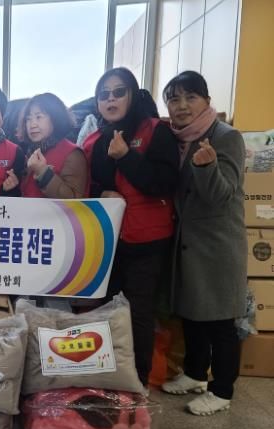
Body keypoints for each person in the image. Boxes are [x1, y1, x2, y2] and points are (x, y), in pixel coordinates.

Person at [83, 67, 179, 389]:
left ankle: (137, 383)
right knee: (108, 309)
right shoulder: (97, 140)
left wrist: (126, 157)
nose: (110, 100)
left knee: (138, 313)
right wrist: (101, 193)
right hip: (109, 240)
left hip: (147, 241)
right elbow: (92, 186)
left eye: (118, 92)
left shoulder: (156, 131)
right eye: (103, 95)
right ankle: (110, 379)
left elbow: (164, 183)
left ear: (132, 95)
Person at [160, 71, 247, 416]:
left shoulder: (226, 137)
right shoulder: (178, 138)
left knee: (220, 322)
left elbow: (221, 196)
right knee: (192, 314)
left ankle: (222, 390)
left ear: (207, 101)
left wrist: (208, 166)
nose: (181, 106)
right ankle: (195, 373)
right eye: (174, 99)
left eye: (190, 97)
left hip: (216, 246)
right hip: (188, 243)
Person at [20, 93, 89, 198]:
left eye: (39, 117)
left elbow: (74, 201)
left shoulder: (73, 154)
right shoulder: (30, 152)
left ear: (55, 118)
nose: (32, 125)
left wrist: (43, 173)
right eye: (28, 119)